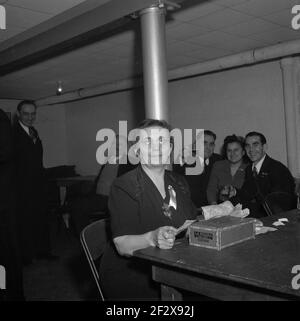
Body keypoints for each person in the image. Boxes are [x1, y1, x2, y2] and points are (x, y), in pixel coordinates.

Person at [99, 119, 197, 300]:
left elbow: (191, 221)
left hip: (176, 264)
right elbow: (122, 245)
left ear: (170, 148)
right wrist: (152, 237)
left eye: (162, 141)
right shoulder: (124, 185)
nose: (156, 147)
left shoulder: (179, 182)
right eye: (148, 141)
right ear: (136, 150)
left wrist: (221, 213)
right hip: (135, 275)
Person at [13, 100, 55, 265]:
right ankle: (26, 257)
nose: (30, 117)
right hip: (22, 187)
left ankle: (43, 252)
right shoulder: (13, 134)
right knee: (25, 221)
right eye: (26, 114)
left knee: (41, 219)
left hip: (38, 185)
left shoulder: (34, 132)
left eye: (33, 114)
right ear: (19, 114)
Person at [69, 135, 136, 235]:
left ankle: (88, 237)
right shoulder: (108, 161)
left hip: (110, 199)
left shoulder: (129, 163)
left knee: (79, 206)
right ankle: (87, 237)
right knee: (75, 201)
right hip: (97, 196)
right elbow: (99, 180)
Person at [229, 132, 295, 218]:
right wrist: (235, 191)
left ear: (264, 147)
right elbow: (249, 193)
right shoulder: (249, 169)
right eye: (248, 146)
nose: (251, 149)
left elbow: (277, 203)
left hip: (278, 219)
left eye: (255, 145)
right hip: (259, 216)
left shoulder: (277, 169)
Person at [0, 109, 24, 301]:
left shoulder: (0, 118)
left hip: (4, 200)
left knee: (7, 251)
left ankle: (12, 293)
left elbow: (5, 153)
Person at [173, 130, 222, 208]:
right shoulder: (183, 161)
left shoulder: (218, 160)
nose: (208, 147)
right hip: (189, 209)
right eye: (204, 143)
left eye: (211, 144)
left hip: (211, 210)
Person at [207, 135, 248, 204]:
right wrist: (213, 204)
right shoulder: (218, 165)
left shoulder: (249, 168)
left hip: (243, 208)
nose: (232, 154)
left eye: (236, 150)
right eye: (229, 150)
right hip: (221, 207)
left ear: (243, 152)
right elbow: (212, 189)